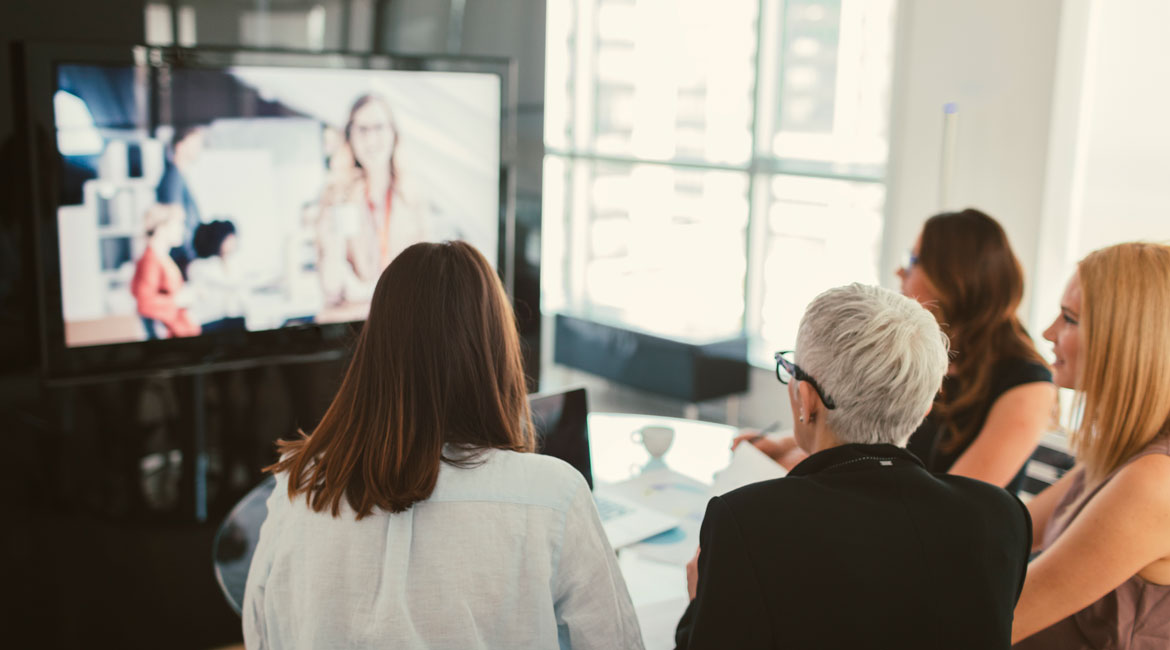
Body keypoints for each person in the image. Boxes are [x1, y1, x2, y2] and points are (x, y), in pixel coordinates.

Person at [243, 241, 642, 650]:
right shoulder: (554, 496)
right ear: (496, 349)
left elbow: (260, 635)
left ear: (375, 348)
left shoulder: (300, 487)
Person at [676, 284, 1031, 650]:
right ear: (925, 407)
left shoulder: (745, 521)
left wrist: (699, 607)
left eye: (790, 371)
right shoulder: (1002, 516)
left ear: (805, 399)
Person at [738, 209, 1055, 492]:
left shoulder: (1027, 385)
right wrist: (780, 446)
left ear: (954, 280)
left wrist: (806, 471)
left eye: (913, 261)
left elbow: (956, 505)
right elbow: (855, 424)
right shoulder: (911, 351)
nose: (900, 273)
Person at [1012, 243, 1170, 649]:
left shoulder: (1155, 481)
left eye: (1069, 319)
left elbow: (1000, 619)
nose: (1048, 333)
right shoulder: (1124, 451)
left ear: (1128, 342)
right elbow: (1004, 532)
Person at [316, 95, 427, 304]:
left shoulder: (413, 196)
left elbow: (425, 280)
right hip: (355, 325)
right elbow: (331, 285)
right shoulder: (334, 196)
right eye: (362, 129)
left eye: (379, 127)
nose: (371, 139)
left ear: (394, 133)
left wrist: (367, 291)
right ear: (350, 137)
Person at [130, 204, 200, 339]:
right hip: (168, 333)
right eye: (178, 224)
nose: (182, 230)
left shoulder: (161, 257)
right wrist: (178, 300)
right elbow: (144, 303)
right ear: (162, 228)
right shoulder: (150, 260)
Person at [156, 124, 206, 272]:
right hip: (181, 257)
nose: (199, 149)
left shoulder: (178, 176)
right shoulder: (173, 177)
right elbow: (173, 217)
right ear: (180, 146)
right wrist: (188, 254)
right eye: (195, 144)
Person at [185, 219, 246, 333]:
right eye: (230, 238)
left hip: (229, 320)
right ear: (218, 240)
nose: (234, 242)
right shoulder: (200, 266)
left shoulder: (228, 262)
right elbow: (231, 283)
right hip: (211, 323)